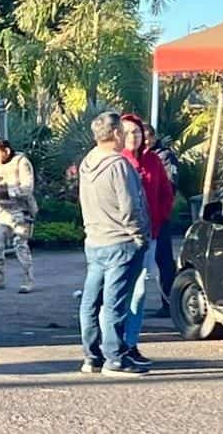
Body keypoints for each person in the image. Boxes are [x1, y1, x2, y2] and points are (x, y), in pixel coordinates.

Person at [77, 111, 150, 378]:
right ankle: (116, 358)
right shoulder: (118, 164)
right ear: (116, 133)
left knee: (91, 301)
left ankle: (91, 356)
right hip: (120, 242)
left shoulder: (87, 162)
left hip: (95, 240)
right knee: (115, 303)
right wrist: (140, 236)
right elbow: (130, 206)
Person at [121, 115, 174, 367]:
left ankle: (130, 342)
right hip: (120, 238)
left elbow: (166, 193)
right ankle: (113, 342)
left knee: (140, 289)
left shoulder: (153, 160)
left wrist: (158, 220)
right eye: (128, 132)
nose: (134, 137)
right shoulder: (117, 161)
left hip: (149, 236)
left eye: (137, 132)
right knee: (118, 291)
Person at [0, 139, 38, 294]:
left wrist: (7, 191)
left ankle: (28, 280)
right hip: (2, 211)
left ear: (6, 151)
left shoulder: (21, 162)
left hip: (21, 210)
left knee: (20, 244)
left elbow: (27, 188)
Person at [143, 124, 181, 318]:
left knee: (164, 261)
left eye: (149, 138)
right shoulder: (139, 156)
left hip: (160, 217)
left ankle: (169, 303)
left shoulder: (164, 157)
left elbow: (170, 186)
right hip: (145, 218)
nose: (146, 142)